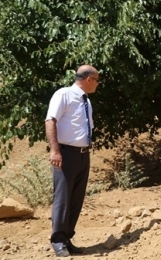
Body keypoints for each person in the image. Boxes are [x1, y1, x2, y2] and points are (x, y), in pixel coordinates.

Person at [45, 65, 100, 257]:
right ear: (89, 80)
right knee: (63, 198)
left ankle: (67, 238)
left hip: (83, 155)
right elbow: (50, 121)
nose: (98, 84)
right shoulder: (64, 94)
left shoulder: (86, 101)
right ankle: (58, 240)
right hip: (66, 154)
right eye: (97, 80)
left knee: (76, 198)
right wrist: (55, 151)